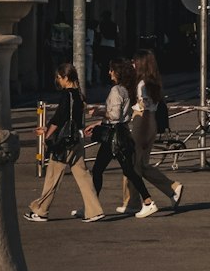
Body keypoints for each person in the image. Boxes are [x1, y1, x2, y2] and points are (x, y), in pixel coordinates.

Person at [23, 63, 104, 223]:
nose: (58, 81)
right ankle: (94, 210)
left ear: (66, 78)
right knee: (83, 175)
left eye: (59, 78)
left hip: (64, 142)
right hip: (76, 139)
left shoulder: (67, 95)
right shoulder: (80, 95)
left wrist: (47, 134)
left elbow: (60, 117)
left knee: (53, 176)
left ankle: (41, 211)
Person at [86, 57, 159, 218]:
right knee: (125, 170)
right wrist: (99, 122)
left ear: (117, 72)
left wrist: (98, 112)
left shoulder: (116, 90)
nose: (109, 72)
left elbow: (114, 115)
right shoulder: (126, 90)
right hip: (121, 134)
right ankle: (92, 206)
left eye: (111, 70)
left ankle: (93, 207)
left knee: (104, 170)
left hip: (114, 136)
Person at [118, 50, 183, 214]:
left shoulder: (143, 85)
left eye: (135, 62)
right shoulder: (152, 82)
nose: (132, 65)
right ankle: (170, 189)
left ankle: (140, 202)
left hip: (143, 123)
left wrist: (145, 134)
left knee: (132, 164)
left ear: (141, 64)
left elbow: (145, 110)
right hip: (149, 123)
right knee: (140, 165)